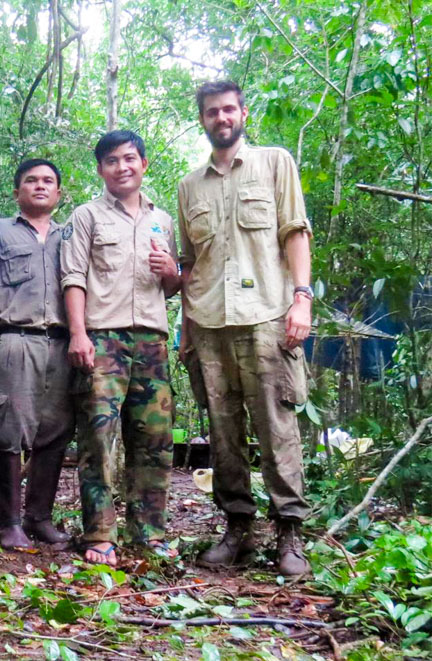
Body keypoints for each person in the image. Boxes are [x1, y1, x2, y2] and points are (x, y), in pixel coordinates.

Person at [178, 81, 312, 577]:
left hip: (267, 317)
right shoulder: (189, 186)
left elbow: (295, 232)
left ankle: (289, 534)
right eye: (212, 111)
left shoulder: (274, 163)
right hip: (210, 323)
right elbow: (189, 264)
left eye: (229, 109)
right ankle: (237, 528)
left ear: (243, 113)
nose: (221, 117)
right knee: (223, 432)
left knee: (277, 427)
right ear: (203, 120)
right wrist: (187, 331)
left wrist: (302, 299)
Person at [61, 130, 182, 567]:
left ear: (144, 164)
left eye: (130, 158)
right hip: (103, 339)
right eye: (111, 160)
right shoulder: (86, 216)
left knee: (154, 440)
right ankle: (100, 533)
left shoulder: (162, 220)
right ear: (100, 169)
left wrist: (173, 271)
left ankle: (149, 532)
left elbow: (170, 286)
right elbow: (73, 277)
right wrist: (79, 334)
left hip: (152, 341)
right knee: (99, 437)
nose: (122, 167)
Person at [0, 159, 73, 551]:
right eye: (31, 181)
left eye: (48, 182)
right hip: (15, 338)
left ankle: (39, 517)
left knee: (56, 433)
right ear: (17, 191)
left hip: (62, 342)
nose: (39, 186)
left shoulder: (70, 234)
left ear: (59, 193)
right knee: (10, 432)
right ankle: (8, 522)